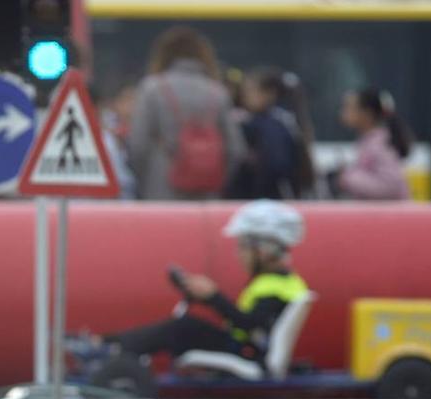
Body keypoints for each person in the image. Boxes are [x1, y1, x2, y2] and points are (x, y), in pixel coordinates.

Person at [103, 200, 309, 361]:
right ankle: (113, 343)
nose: (239, 254)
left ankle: (111, 347)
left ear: (265, 250)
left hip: (247, 352)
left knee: (182, 328)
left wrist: (214, 297)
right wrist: (208, 298)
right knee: (183, 327)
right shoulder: (279, 282)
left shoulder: (277, 288)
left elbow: (248, 325)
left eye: (243, 247)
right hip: (244, 347)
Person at [127, 26, 245, 200]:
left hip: (161, 187)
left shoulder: (152, 88)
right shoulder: (218, 92)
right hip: (207, 191)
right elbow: (235, 149)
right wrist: (217, 177)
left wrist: (145, 180)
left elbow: (138, 145)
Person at [227, 67, 302, 200]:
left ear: (270, 93)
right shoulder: (250, 121)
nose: (245, 96)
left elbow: (277, 165)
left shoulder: (274, 125)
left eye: (251, 91)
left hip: (267, 198)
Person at [335, 88, 411, 200]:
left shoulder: (380, 144)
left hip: (391, 211)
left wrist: (347, 178)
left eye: (349, 107)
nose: (343, 112)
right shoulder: (371, 141)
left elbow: (391, 186)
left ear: (367, 114)